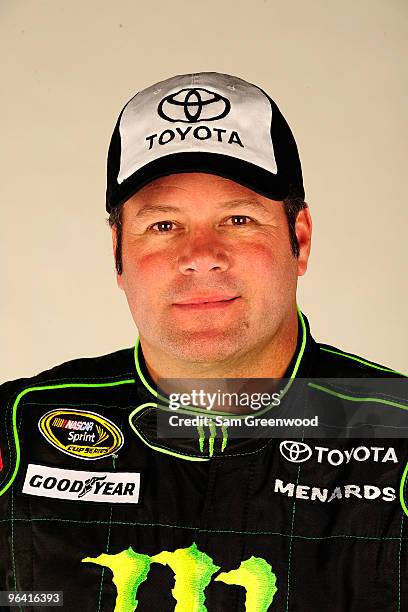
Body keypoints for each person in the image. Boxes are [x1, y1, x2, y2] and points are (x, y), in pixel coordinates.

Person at [0, 71, 406, 611]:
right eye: (164, 225)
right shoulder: (18, 426)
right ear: (118, 253)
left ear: (299, 240)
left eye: (238, 219)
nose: (200, 254)